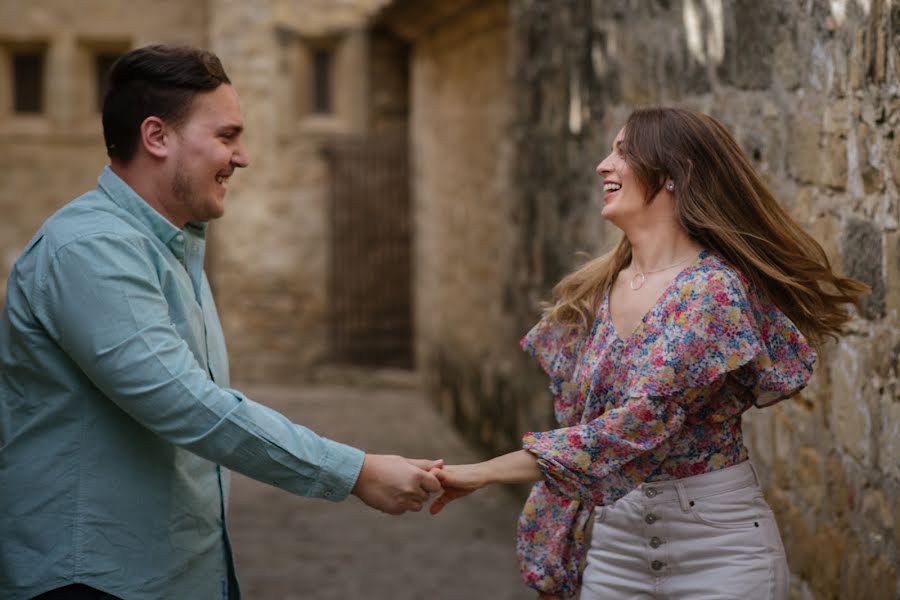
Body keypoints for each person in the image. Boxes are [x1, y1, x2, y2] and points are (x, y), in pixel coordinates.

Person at [0, 44, 442, 600]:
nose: (242, 157)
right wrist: (352, 472)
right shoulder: (91, 249)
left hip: (181, 573)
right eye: (227, 136)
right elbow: (183, 403)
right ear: (157, 137)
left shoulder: (170, 244)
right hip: (94, 580)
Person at [428, 107, 868, 599]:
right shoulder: (592, 293)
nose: (602, 165)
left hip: (719, 554)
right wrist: (557, 545)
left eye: (622, 151)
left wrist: (483, 472)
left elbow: (635, 424)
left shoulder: (711, 292)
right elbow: (581, 429)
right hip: (616, 553)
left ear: (675, 173)